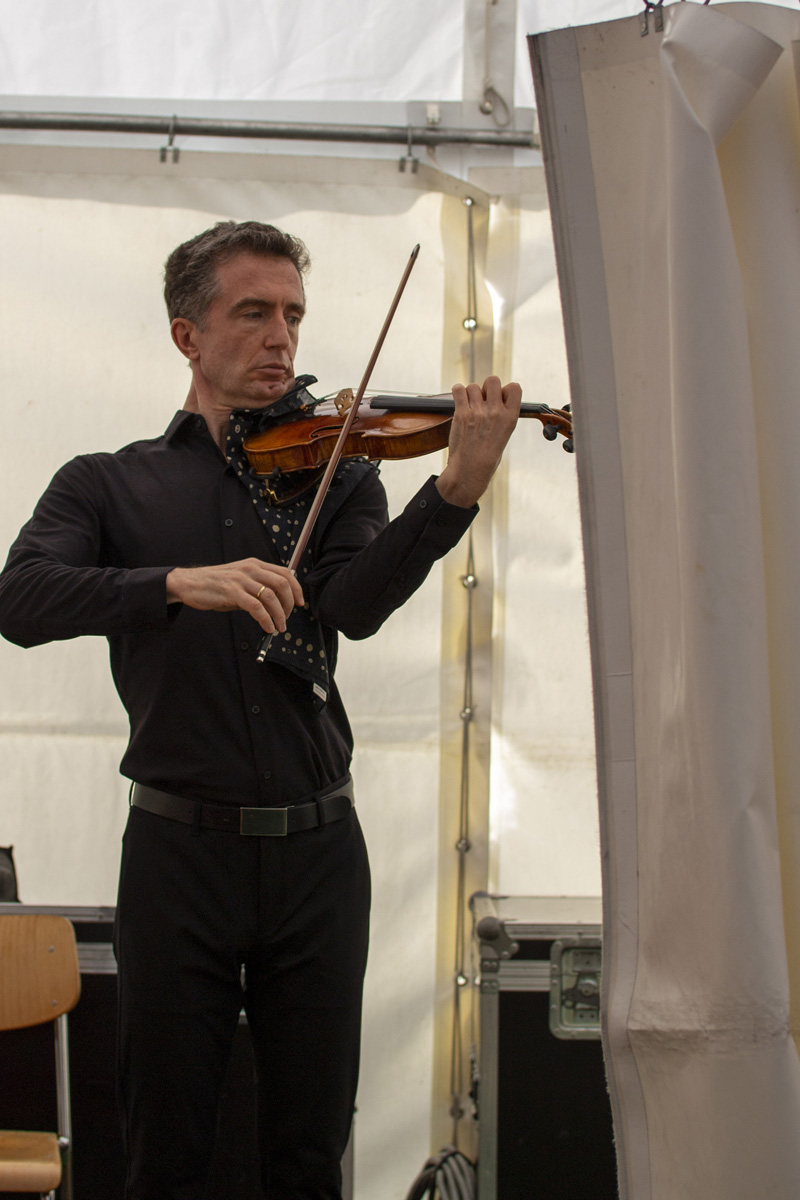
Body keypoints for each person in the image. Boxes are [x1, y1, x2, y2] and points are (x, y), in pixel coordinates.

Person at [0, 220, 521, 1200]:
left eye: (292, 315)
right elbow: (19, 601)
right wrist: (172, 583)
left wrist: (452, 491)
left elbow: (353, 606)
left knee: (308, 1153)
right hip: (177, 856)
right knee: (166, 1150)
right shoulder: (107, 483)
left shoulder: (340, 470)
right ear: (187, 335)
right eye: (252, 313)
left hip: (318, 857)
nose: (281, 337)